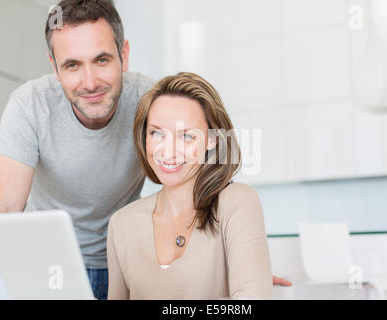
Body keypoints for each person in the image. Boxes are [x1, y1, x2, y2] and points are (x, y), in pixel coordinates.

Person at [0, 0, 291, 300]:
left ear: (124, 54)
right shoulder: (29, 105)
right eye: (73, 65)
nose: (90, 82)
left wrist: (245, 258)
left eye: (102, 60)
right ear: (54, 66)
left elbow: (216, 154)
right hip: (51, 264)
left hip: (124, 260)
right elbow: (2, 208)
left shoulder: (152, 100)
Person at [107, 72, 274, 299]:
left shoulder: (237, 202)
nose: (168, 151)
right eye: (157, 133)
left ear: (212, 139)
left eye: (186, 136)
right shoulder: (122, 225)